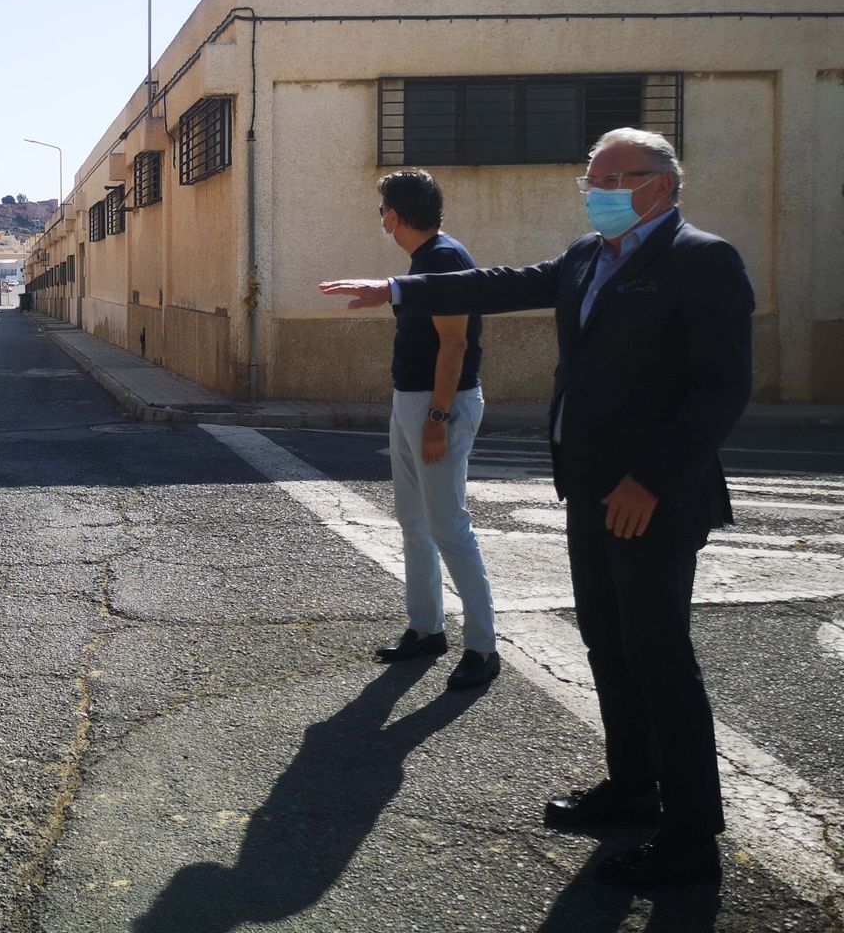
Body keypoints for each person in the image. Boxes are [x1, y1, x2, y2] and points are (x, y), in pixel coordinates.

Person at [321, 129, 753, 889]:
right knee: (607, 647)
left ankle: (690, 839)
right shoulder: (588, 256)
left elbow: (721, 388)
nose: (598, 192)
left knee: (659, 658)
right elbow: (499, 284)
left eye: (613, 178)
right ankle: (630, 791)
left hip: (652, 497)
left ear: (660, 183)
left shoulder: (701, 259)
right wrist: (394, 290)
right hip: (588, 488)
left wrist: (650, 480)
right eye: (591, 181)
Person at [370, 170, 499, 691]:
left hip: (436, 405)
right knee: (413, 520)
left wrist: (437, 421)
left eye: (382, 210)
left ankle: (483, 647)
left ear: (395, 216)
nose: (380, 218)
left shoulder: (445, 260)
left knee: (448, 525)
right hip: (412, 400)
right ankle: (426, 628)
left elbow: (456, 346)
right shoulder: (427, 260)